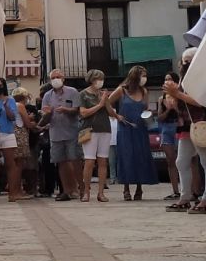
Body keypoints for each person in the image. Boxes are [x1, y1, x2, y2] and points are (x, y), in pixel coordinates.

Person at [162, 53, 206, 214]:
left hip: (200, 124)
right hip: (186, 125)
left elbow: (199, 101)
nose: (183, 64)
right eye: (183, 61)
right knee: (181, 161)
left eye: (187, 61)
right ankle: (185, 197)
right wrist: (173, 99)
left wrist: (177, 94)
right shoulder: (184, 80)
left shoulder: (201, 78)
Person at [106, 66, 158, 200]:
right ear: (135, 76)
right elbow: (106, 103)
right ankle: (126, 189)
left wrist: (149, 115)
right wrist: (117, 116)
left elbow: (146, 108)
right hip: (125, 129)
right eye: (142, 75)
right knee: (126, 156)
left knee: (140, 156)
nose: (144, 78)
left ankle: (139, 188)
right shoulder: (122, 90)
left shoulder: (144, 91)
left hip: (140, 128)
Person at [40, 69, 82, 201]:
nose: (56, 79)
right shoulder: (47, 96)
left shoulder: (73, 92)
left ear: (63, 79)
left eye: (58, 77)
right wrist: (47, 113)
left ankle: (81, 188)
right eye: (53, 77)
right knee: (60, 162)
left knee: (75, 160)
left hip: (71, 132)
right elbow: (44, 116)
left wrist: (66, 110)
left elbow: (77, 110)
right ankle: (66, 190)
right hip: (55, 133)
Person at [79, 70, 113, 203]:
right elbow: (83, 113)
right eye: (98, 78)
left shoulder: (102, 94)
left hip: (105, 129)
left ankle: (101, 192)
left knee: (103, 161)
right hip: (88, 130)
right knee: (89, 161)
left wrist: (106, 101)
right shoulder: (83, 94)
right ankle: (86, 192)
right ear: (91, 79)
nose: (100, 81)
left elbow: (110, 112)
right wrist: (99, 105)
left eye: (102, 78)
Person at [0, 77, 21, 202]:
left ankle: (12, 193)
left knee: (10, 163)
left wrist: (6, 106)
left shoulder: (10, 100)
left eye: (1, 84)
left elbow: (13, 117)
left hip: (8, 133)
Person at [157, 72, 182, 201]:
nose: (167, 81)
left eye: (170, 79)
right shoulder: (162, 99)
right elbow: (159, 118)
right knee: (170, 160)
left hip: (178, 127)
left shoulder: (180, 96)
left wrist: (175, 107)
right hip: (166, 128)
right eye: (166, 79)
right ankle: (175, 190)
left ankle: (187, 189)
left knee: (182, 160)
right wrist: (168, 109)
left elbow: (183, 115)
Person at [12, 87, 35, 199]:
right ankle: (17, 191)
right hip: (20, 135)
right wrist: (32, 120)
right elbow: (27, 123)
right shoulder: (20, 106)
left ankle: (15, 190)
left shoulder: (12, 105)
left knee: (15, 164)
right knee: (19, 165)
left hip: (13, 135)